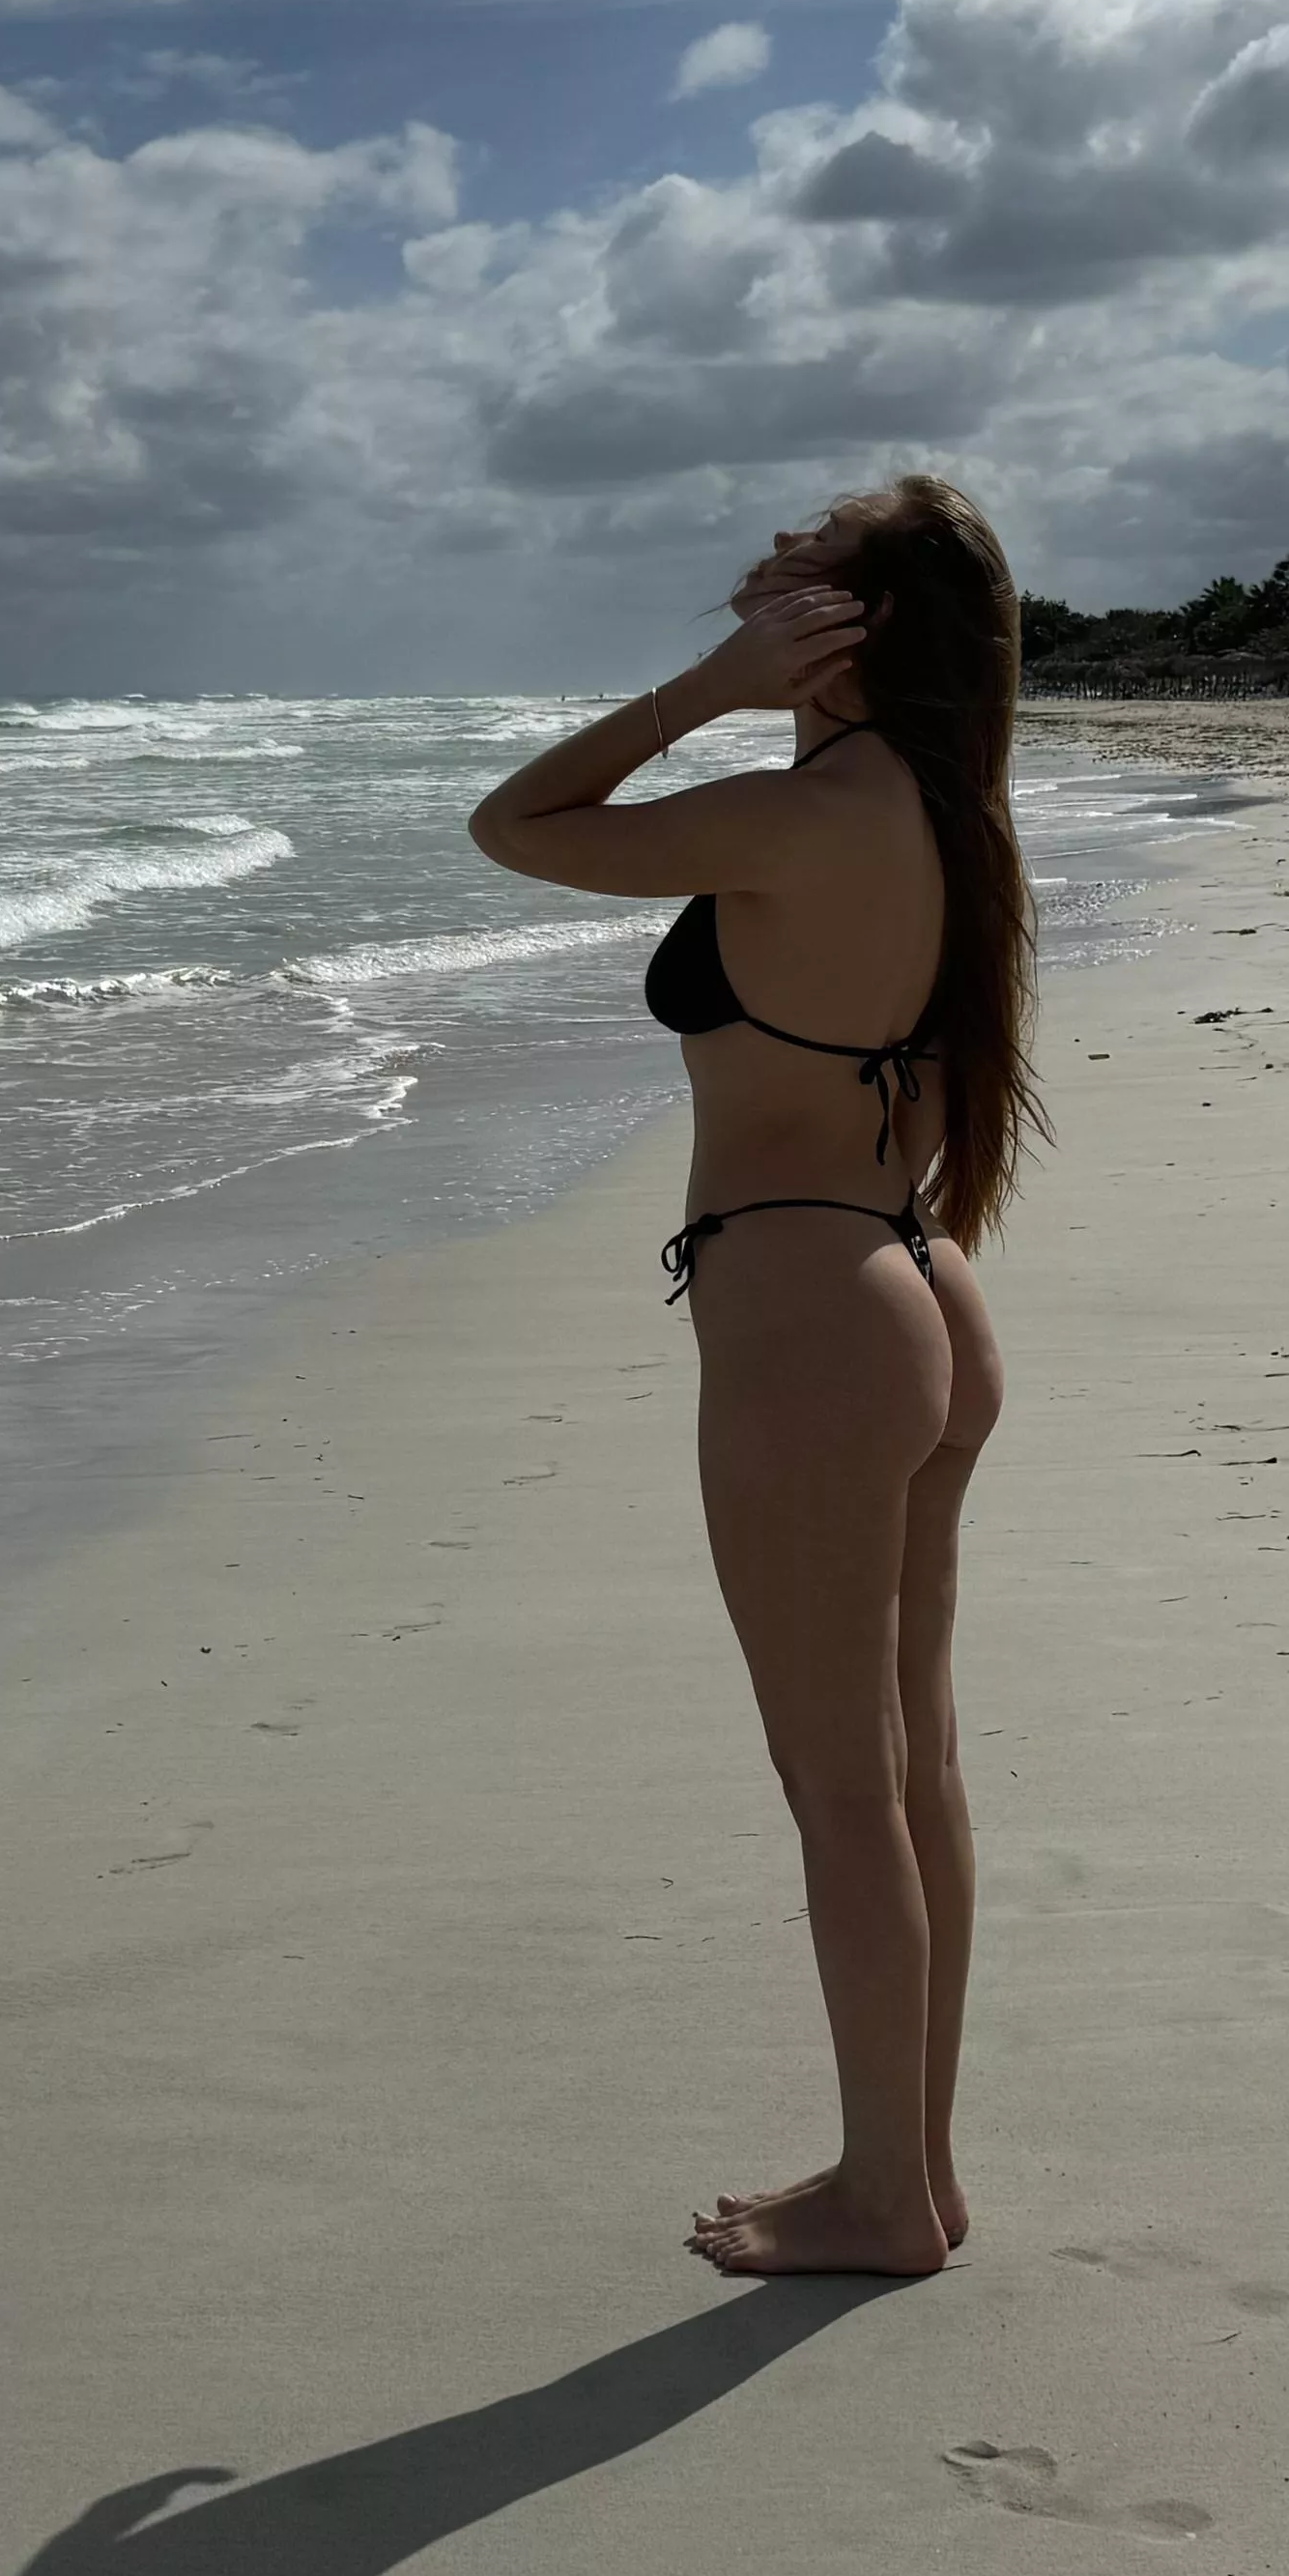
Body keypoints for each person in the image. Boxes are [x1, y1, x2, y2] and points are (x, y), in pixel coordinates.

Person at [467, 479, 1043, 2276]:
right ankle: (915, 2170)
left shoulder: (802, 817)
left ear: (853, 626)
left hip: (811, 1309)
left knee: (841, 1785)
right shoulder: (952, 819)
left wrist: (704, 689)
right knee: (913, 1764)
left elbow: (516, 823)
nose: (763, 588)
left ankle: (884, 2195)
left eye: (796, 582)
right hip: (919, 1291)